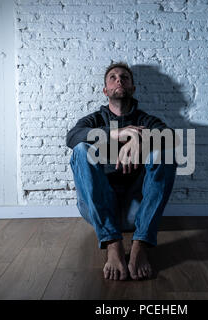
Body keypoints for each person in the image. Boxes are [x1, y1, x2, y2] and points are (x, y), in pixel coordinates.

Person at [66, 62, 179, 281]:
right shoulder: (95, 120)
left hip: (135, 212)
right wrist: (115, 134)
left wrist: (140, 140)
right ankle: (112, 244)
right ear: (105, 90)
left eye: (125, 77)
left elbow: (171, 136)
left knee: (166, 151)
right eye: (113, 77)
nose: (119, 80)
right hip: (97, 209)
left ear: (133, 88)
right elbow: (72, 137)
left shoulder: (146, 121)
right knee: (80, 149)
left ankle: (140, 245)